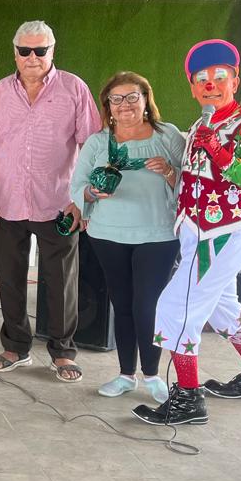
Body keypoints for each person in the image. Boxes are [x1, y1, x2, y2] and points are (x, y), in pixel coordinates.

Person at [134, 39, 241, 427]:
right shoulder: (200, 124)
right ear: (193, 87)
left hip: (222, 233)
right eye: (201, 79)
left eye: (219, 76)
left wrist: (222, 153)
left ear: (235, 81)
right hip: (194, 232)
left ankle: (188, 397)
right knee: (222, 306)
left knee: (174, 307)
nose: (210, 84)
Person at [0, 20, 100, 382]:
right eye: (25, 50)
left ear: (52, 51)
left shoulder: (74, 89)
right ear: (15, 54)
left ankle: (63, 353)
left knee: (61, 282)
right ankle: (15, 347)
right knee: (9, 278)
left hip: (59, 203)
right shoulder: (0, 92)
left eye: (40, 50)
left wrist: (82, 201)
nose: (32, 57)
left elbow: (92, 146)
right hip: (7, 202)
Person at [69, 73, 184, 402]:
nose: (125, 105)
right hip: (108, 234)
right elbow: (77, 187)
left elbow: (192, 184)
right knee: (121, 304)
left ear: (146, 99)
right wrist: (92, 192)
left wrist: (170, 172)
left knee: (147, 305)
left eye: (132, 97)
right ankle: (125, 375)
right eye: (116, 99)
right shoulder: (97, 142)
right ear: (108, 105)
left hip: (158, 235)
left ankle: (152, 375)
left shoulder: (168, 136)